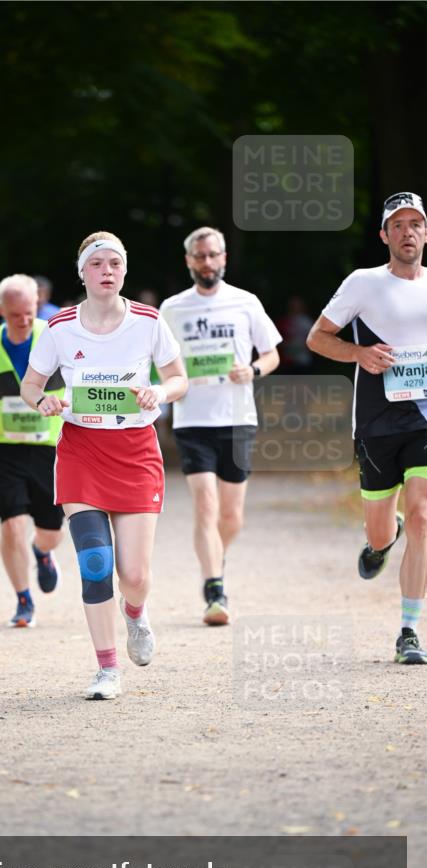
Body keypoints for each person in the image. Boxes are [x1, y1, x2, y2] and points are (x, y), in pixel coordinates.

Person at [21, 231, 187, 700]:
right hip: (82, 452)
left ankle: (135, 612)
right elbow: (30, 385)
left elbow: (178, 379)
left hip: (135, 452)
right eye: (97, 264)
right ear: (83, 273)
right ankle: (107, 669)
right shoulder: (60, 327)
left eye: (115, 263)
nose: (107, 271)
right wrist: (43, 401)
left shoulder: (148, 321)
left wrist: (159, 392)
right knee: (96, 563)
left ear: (125, 270)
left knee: (133, 576)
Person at [307, 191, 427, 665]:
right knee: (381, 533)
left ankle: (409, 630)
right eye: (397, 225)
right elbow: (317, 338)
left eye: (415, 224)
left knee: (422, 517)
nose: (407, 232)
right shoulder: (363, 283)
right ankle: (382, 539)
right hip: (377, 423)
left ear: (426, 232)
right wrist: (359, 354)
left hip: (423, 420)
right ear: (384, 235)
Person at [160, 226, 281, 626]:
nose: (207, 262)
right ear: (188, 261)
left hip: (237, 418)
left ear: (223, 258)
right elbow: (158, 361)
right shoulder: (172, 309)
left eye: (213, 255)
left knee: (231, 517)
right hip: (192, 419)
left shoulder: (245, 302)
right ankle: (214, 589)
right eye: (200, 256)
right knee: (206, 505)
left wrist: (253, 370)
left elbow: (271, 354)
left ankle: (216, 556)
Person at [0, 274, 65, 628]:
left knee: (52, 531)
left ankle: (42, 551)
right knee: (11, 526)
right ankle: (23, 600)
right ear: (1, 310)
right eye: (15, 314)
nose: (24, 320)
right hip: (6, 449)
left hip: (50, 449)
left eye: (29, 312)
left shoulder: (56, 337)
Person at [276, 296, 315, 374]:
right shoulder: (284, 321)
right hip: (286, 361)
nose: (294, 307)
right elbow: (277, 340)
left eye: (297, 305)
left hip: (304, 360)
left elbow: (314, 341)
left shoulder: (307, 322)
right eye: (293, 305)